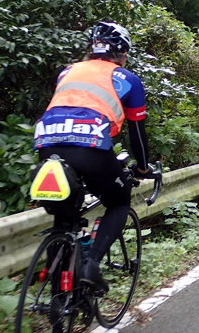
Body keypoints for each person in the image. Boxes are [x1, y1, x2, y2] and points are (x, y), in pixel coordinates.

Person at [33, 21, 151, 294]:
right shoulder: (128, 79)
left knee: (64, 214)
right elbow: (136, 133)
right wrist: (143, 168)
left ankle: (58, 295)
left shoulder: (67, 72)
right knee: (119, 202)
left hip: (47, 144)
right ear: (122, 53)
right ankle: (91, 265)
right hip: (91, 147)